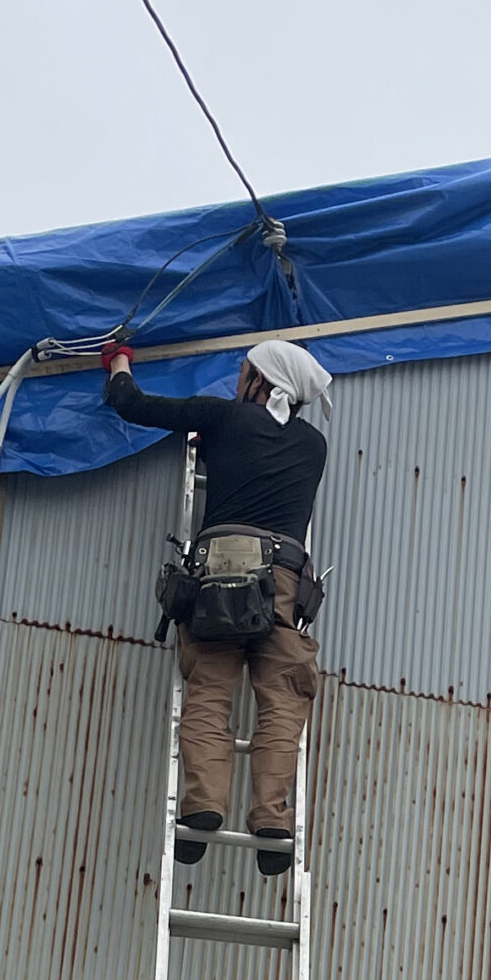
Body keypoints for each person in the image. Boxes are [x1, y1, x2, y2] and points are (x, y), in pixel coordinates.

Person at [101, 338, 332, 875]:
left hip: (219, 577)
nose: (236, 381)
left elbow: (134, 404)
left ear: (261, 382)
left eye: (243, 371)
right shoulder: (314, 446)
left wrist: (118, 362)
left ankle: (203, 806)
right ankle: (272, 818)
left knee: (208, 691)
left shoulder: (222, 420)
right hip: (281, 582)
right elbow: (261, 459)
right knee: (282, 698)